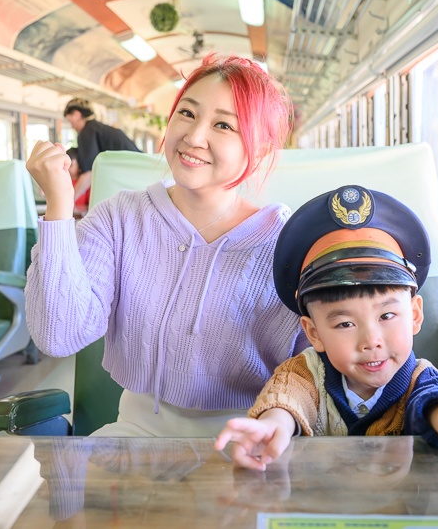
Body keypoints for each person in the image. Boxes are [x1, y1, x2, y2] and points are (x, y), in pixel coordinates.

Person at [25, 54, 304, 437]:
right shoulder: (119, 218)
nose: (194, 136)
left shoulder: (290, 244)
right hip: (137, 434)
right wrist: (59, 206)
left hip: (251, 439)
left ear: (259, 151)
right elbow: (59, 333)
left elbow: (320, 369)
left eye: (223, 124)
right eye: (187, 114)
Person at [215, 185, 438, 470]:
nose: (371, 340)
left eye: (387, 316)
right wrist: (274, 426)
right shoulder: (304, 374)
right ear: (314, 333)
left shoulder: (419, 381)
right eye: (345, 323)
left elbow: (437, 407)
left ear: (415, 314)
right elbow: (287, 402)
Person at [63, 97, 140, 204]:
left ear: (76, 115)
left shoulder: (86, 132)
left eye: (69, 120)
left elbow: (88, 174)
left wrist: (68, 203)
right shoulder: (98, 129)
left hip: (134, 177)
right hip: (139, 176)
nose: (71, 126)